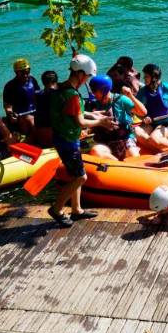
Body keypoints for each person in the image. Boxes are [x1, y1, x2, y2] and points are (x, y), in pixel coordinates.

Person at [48, 54, 118, 227]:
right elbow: (80, 121)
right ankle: (56, 209)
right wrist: (100, 121)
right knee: (80, 177)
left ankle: (77, 209)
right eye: (87, 76)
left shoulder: (59, 89)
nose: (87, 80)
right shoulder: (72, 94)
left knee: (74, 174)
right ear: (80, 74)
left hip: (60, 137)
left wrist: (93, 114)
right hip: (68, 140)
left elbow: (73, 112)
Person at [88, 74, 147, 161]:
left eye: (94, 90)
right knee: (95, 151)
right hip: (106, 142)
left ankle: (120, 164)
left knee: (134, 156)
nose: (93, 93)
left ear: (103, 90)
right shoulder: (94, 104)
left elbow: (143, 112)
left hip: (125, 139)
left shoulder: (121, 100)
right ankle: (118, 164)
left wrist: (131, 96)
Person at [134, 63, 168, 153]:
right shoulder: (143, 91)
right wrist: (143, 118)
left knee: (154, 139)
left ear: (154, 77)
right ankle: (158, 149)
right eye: (144, 76)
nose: (144, 78)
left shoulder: (166, 87)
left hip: (167, 123)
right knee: (136, 131)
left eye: (147, 76)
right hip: (151, 123)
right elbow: (136, 109)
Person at [3, 58, 41, 136]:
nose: (25, 75)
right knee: (29, 120)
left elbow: (39, 96)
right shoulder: (10, 86)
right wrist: (11, 116)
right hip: (20, 116)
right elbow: (8, 107)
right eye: (22, 72)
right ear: (16, 72)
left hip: (35, 113)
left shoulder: (33, 80)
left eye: (27, 71)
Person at [31, 70, 58, 147]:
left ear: (43, 82)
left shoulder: (37, 95)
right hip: (52, 138)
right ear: (56, 81)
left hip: (40, 135)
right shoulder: (58, 95)